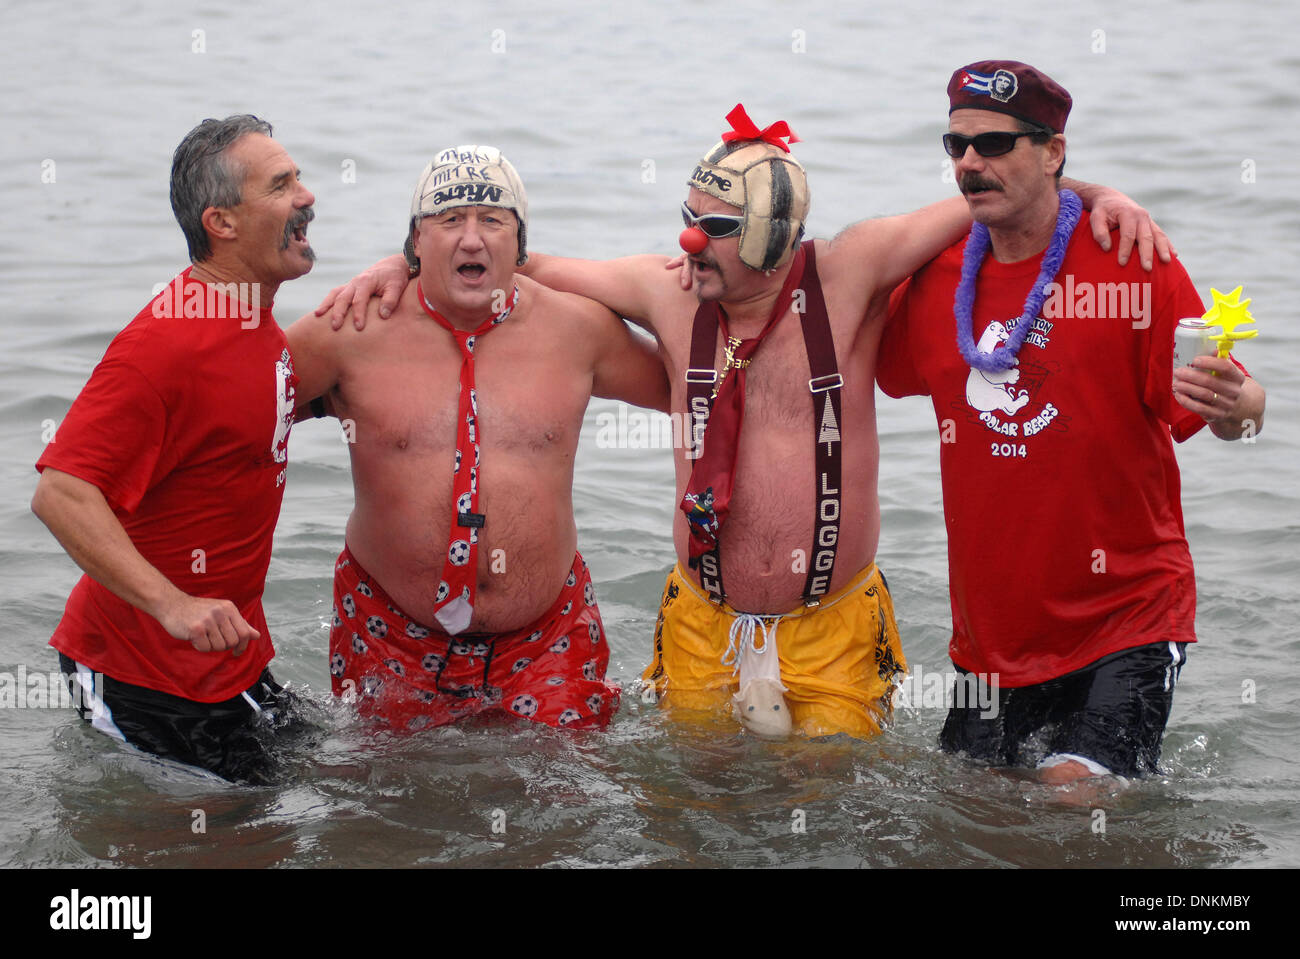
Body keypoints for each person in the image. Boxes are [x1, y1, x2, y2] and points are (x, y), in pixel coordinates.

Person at [319, 106, 1163, 740]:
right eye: (687, 219)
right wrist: (402, 259)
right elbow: (508, 257)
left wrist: (1100, 192)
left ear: (772, 235)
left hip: (831, 624)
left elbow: (996, 197)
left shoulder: (851, 272)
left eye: (716, 228)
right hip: (701, 622)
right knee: (691, 806)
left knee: (833, 801)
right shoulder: (665, 291)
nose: (690, 242)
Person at [875, 61, 1266, 780]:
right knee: (969, 816)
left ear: (1053, 150)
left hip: (1126, 615)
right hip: (992, 639)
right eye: (957, 144)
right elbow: (845, 344)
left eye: (995, 144)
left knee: (1072, 794)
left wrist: (1242, 409)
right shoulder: (936, 275)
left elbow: (1229, 411)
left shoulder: (1132, 259)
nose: (970, 162)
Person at [286, 145, 668, 730]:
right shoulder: (348, 330)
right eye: (449, 220)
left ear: (520, 243)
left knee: (571, 783)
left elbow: (697, 390)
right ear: (416, 239)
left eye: (492, 220)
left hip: (546, 640)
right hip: (388, 634)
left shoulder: (579, 330)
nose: (472, 239)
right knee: (378, 786)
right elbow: (231, 418)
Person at [31, 115, 317, 783]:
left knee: (331, 789)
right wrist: (173, 605)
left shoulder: (254, 319)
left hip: (230, 659)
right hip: (139, 674)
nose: (306, 196)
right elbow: (61, 493)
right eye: (281, 186)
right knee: (230, 828)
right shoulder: (162, 347)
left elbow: (232, 431)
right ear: (222, 223)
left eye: (299, 178)